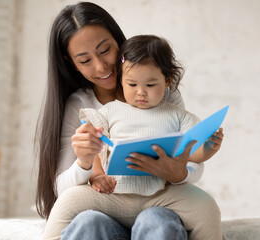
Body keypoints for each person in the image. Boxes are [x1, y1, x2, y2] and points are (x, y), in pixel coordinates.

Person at [35, 2, 222, 240]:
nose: (101, 66)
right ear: (71, 62)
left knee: (158, 223)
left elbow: (190, 154)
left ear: (118, 41)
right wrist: (85, 163)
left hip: (159, 200)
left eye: (105, 51)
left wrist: (180, 173)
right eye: (85, 60)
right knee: (88, 223)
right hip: (104, 204)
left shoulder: (162, 91)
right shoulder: (80, 106)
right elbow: (63, 191)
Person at [79, 35, 224, 196]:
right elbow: (96, 151)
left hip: (159, 196)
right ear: (121, 80)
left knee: (157, 218)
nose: (141, 92)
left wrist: (209, 148)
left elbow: (190, 153)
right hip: (114, 193)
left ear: (167, 80)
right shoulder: (109, 111)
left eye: (150, 84)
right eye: (132, 84)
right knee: (91, 218)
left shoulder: (177, 115)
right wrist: (97, 176)